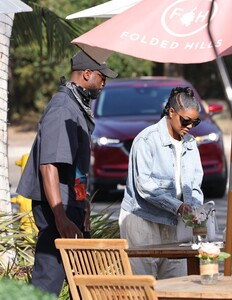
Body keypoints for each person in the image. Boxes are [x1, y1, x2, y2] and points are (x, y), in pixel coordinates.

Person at [16, 50, 118, 296]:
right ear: (86, 74)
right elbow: (48, 164)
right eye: (101, 77)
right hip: (56, 207)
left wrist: (82, 202)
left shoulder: (76, 105)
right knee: (48, 281)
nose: (104, 82)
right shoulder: (63, 108)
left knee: (80, 282)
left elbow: (77, 165)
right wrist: (60, 216)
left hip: (71, 204)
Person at [119, 86, 204, 279]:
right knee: (144, 285)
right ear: (171, 112)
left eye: (195, 122)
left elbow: (195, 184)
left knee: (176, 283)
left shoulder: (191, 143)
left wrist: (196, 210)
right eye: (186, 121)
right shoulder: (146, 140)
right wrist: (178, 206)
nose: (190, 126)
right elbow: (145, 186)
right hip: (142, 218)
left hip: (175, 222)